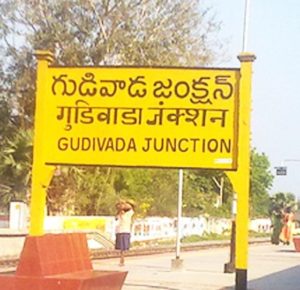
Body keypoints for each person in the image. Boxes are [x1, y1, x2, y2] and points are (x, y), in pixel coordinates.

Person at [115, 199, 135, 266]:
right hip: (120, 231)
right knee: (121, 248)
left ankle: (122, 260)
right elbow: (116, 218)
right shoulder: (120, 214)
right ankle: (121, 260)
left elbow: (129, 207)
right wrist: (120, 210)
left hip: (125, 231)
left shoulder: (129, 213)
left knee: (123, 248)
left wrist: (123, 203)